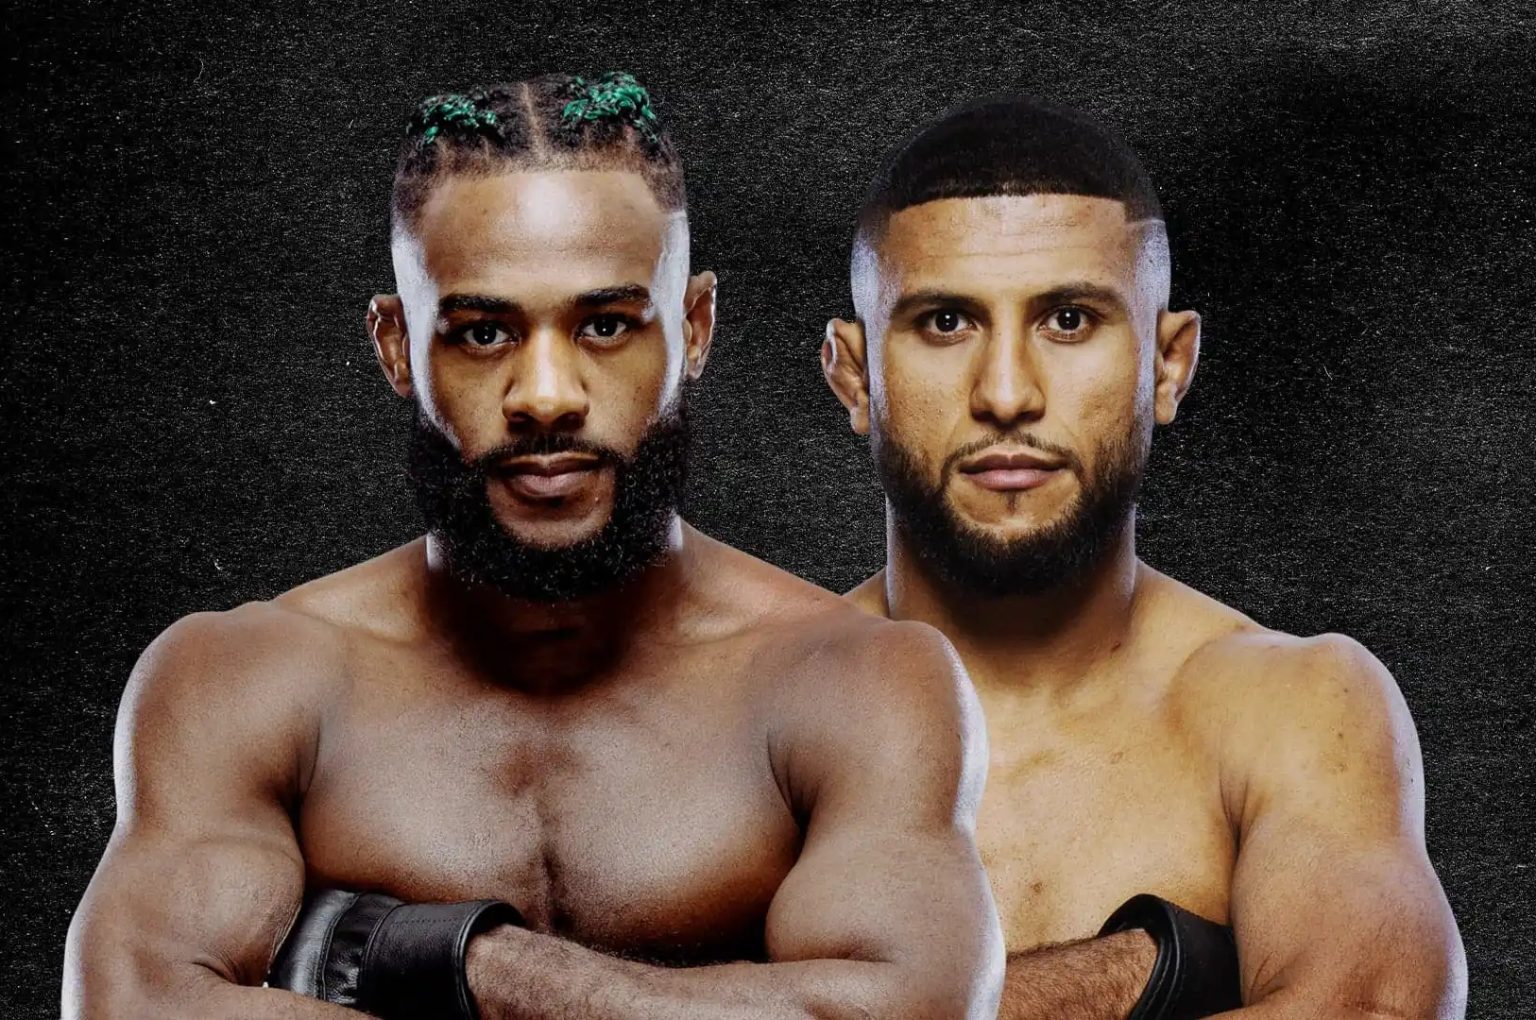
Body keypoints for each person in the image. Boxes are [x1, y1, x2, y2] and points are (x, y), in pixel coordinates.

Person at [63, 73, 1003, 1020]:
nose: (545, 394)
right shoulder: (244, 679)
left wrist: (448, 964)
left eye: (605, 325)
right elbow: (132, 1009)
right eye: (480, 332)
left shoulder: (857, 683)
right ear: (396, 346)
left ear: (694, 327)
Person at [821, 96, 1468, 1018]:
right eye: (946, 322)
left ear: (1169, 365)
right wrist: (1152, 971)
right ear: (855, 377)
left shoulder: (1292, 705)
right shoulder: (754, 707)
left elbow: (1374, 1011)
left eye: (1071, 320)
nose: (1007, 393)